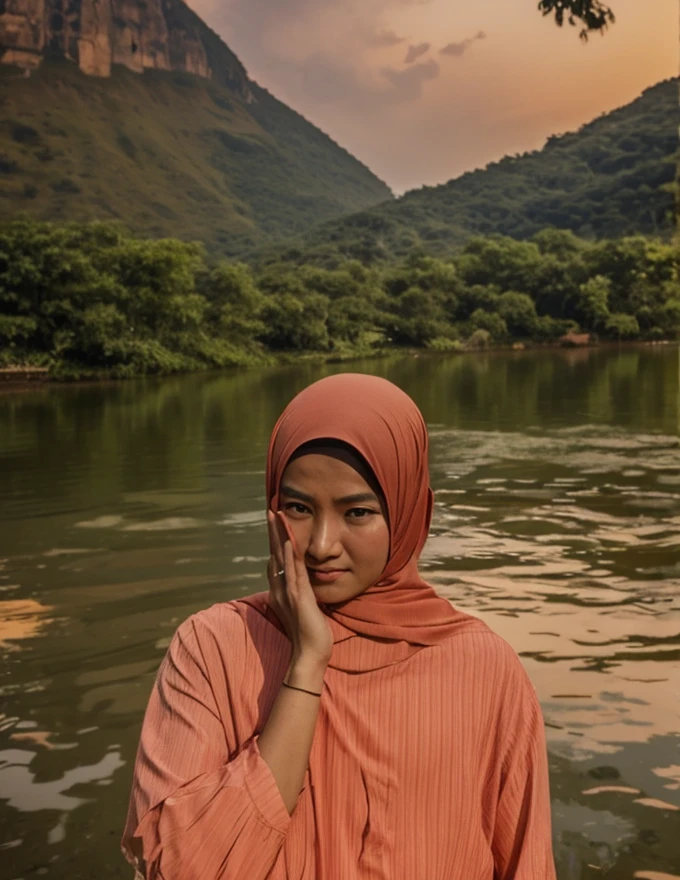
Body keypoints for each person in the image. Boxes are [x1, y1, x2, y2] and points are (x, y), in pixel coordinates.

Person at [122, 373, 557, 880]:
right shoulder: (213, 647)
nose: (322, 545)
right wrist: (306, 665)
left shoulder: (483, 669)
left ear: (412, 513)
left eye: (358, 512)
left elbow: (525, 864)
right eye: (299, 508)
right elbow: (179, 869)